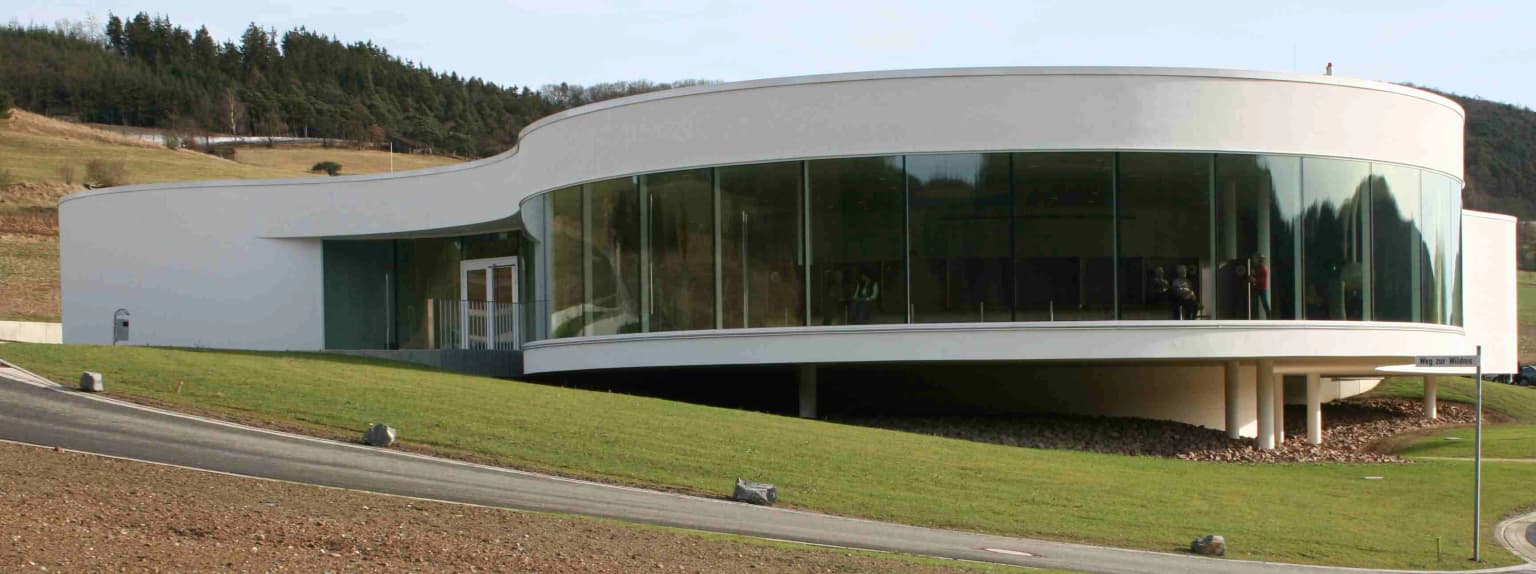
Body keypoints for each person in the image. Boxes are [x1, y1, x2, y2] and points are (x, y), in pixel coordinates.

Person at [1249, 255, 1271, 319]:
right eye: (1260, 260)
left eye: (1261, 260)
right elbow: (1253, 276)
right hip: (1257, 288)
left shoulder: (1264, 269)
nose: (1261, 262)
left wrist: (1255, 279)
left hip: (1262, 288)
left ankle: (1269, 317)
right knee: (1255, 303)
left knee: (1264, 303)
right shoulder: (1256, 268)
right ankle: (1255, 317)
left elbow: (1263, 280)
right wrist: (1252, 276)